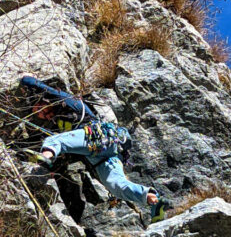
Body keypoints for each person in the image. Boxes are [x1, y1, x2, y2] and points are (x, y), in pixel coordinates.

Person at [19, 74, 169, 223]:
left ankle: (46, 158)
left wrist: (27, 80)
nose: (44, 113)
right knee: (116, 185)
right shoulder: (59, 122)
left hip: (98, 136)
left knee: (53, 141)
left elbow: (36, 85)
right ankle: (154, 201)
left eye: (41, 107)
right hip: (105, 153)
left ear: (45, 101)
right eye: (40, 114)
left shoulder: (68, 102)